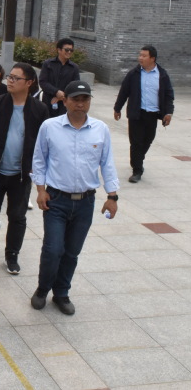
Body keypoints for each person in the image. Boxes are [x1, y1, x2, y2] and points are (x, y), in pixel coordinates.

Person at [31, 80, 119, 316]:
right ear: (65, 101)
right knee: (53, 249)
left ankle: (61, 293)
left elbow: (107, 163)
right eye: (75, 99)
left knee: (71, 252)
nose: (80, 104)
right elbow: (39, 159)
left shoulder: (100, 129)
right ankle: (42, 289)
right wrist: (40, 190)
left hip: (85, 202)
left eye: (85, 99)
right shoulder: (50, 127)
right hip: (56, 199)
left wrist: (112, 196)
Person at [0, 63, 49, 274]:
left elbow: (43, 144)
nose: (10, 81)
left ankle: (12, 255)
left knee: (17, 216)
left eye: (15, 78)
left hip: (21, 174)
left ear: (29, 83)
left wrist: (39, 173)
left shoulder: (39, 110)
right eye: (9, 77)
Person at [113, 45, 174, 183]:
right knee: (136, 142)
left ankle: (137, 159)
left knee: (148, 140)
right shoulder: (133, 74)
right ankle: (137, 170)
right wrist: (117, 108)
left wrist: (168, 112)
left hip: (152, 114)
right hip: (136, 113)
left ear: (152, 58)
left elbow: (169, 95)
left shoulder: (162, 75)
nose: (140, 58)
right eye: (140, 55)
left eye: (144, 56)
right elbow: (124, 92)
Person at [39, 38, 80, 117]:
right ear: (59, 50)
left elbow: (75, 86)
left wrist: (61, 97)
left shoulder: (74, 68)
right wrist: (56, 92)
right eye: (66, 50)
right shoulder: (48, 64)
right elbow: (43, 82)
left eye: (71, 50)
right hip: (48, 101)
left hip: (65, 104)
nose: (69, 52)